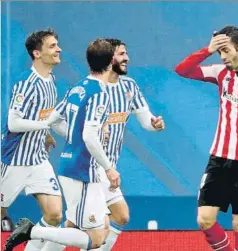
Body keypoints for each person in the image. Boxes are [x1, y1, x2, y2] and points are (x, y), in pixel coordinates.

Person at [4, 38, 120, 251]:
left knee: (66, 219)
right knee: (95, 238)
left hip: (53, 163)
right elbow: (89, 136)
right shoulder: (100, 94)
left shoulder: (69, 86)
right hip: (65, 168)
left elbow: (54, 120)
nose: (59, 48)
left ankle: (32, 235)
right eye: (52, 46)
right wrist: (109, 168)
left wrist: (63, 135)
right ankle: (31, 231)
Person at [175, 25, 238, 251]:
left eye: (226, 51)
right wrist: (207, 50)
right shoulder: (221, 72)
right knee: (204, 219)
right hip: (219, 158)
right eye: (219, 52)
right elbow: (182, 70)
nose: (223, 57)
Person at [97, 38, 165, 251]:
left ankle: (36, 234)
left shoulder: (129, 86)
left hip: (109, 167)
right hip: (89, 164)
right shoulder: (92, 86)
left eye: (126, 53)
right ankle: (36, 235)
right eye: (121, 54)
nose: (127, 58)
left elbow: (147, 121)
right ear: (109, 58)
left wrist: (156, 124)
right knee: (104, 220)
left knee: (116, 218)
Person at [1, 29, 63, 251]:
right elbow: (14, 124)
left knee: (54, 215)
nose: (59, 49)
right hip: (14, 160)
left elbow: (41, 114)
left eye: (57, 45)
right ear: (37, 53)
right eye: (52, 46)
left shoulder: (51, 80)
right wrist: (46, 126)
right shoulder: (27, 84)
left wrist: (45, 134)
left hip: (38, 159)